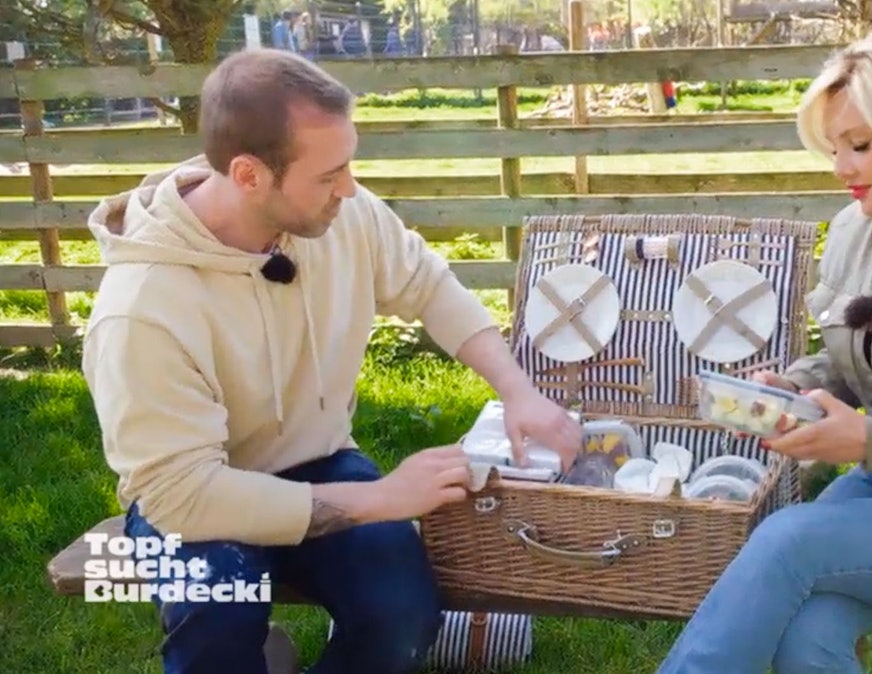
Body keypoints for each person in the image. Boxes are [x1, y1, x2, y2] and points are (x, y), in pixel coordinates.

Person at [80, 48, 582, 674]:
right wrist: (387, 497)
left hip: (318, 461)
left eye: (348, 167)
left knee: (401, 617)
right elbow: (183, 497)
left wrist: (518, 392)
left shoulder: (342, 212)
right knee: (216, 623)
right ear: (248, 175)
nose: (348, 189)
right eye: (328, 175)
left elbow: (427, 284)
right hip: (200, 501)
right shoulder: (142, 310)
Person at [656, 27, 872, 674]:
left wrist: (866, 441)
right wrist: (791, 387)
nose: (840, 168)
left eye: (859, 145)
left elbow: (871, 427)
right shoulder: (856, 227)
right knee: (807, 636)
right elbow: (855, 355)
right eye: (832, 148)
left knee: (785, 540)